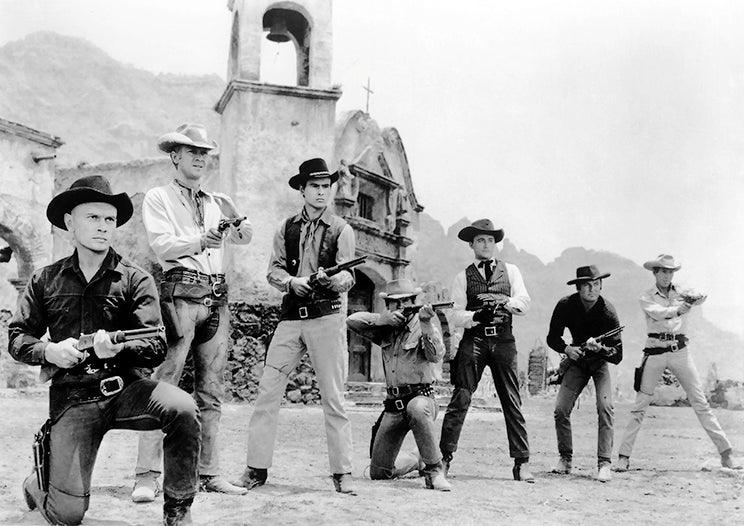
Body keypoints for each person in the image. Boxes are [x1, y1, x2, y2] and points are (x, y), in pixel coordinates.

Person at [9, 175, 200, 526]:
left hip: (127, 390)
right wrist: (49, 351)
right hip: (73, 398)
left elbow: (156, 345)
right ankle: (37, 485)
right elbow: (17, 337)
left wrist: (118, 348)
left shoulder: (136, 279)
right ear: (70, 222)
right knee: (67, 516)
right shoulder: (45, 279)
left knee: (183, 407)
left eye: (109, 219)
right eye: (93, 217)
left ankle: (178, 510)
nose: (103, 226)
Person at [134, 124, 252, 501]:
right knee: (164, 385)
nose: (200, 158)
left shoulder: (217, 201)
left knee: (211, 391)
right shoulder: (158, 197)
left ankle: (209, 473)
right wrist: (202, 239)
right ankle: (147, 475)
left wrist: (236, 214)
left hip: (216, 296)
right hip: (180, 293)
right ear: (175, 156)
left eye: (204, 152)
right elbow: (163, 245)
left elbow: (245, 237)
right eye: (192, 151)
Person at [236, 158, 356, 494]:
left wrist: (330, 282)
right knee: (267, 392)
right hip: (290, 318)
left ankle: (343, 472)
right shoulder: (285, 228)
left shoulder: (342, 230)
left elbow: (349, 276)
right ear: (302, 190)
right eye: (314, 186)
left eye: (326, 186)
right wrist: (292, 282)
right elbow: (273, 271)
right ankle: (256, 469)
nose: (321, 192)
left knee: (333, 397)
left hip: (327, 318)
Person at [614, 254, 741, 472]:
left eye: (670, 272)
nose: (667, 276)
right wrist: (679, 308)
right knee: (640, 406)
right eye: (663, 271)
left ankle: (726, 452)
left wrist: (694, 297)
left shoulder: (680, 292)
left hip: (680, 350)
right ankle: (623, 457)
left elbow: (701, 296)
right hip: (655, 351)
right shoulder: (646, 296)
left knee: (700, 402)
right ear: (655, 272)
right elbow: (659, 313)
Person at [439, 218, 534, 482]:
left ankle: (522, 462)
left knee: (511, 398)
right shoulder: (462, 277)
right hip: (475, 339)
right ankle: (443, 460)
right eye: (480, 240)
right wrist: (475, 316)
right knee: (461, 396)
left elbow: (525, 303)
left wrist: (506, 302)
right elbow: (454, 314)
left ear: (495, 244)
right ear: (471, 244)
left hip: (503, 340)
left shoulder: (511, 271)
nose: (486, 245)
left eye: (490, 240)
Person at [347, 279, 451, 491]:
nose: (401, 306)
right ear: (388, 305)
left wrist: (425, 324)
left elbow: (436, 356)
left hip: (421, 399)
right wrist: (382, 319)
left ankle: (434, 470)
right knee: (379, 473)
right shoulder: (385, 328)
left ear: (413, 301)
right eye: (395, 302)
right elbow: (352, 321)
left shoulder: (423, 325)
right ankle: (415, 459)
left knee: (417, 408)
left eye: (406, 301)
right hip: (394, 406)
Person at [546, 265, 623, 482]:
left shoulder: (608, 311)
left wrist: (601, 349)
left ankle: (604, 464)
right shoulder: (565, 305)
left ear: (601, 286)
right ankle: (565, 459)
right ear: (578, 288)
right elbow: (552, 338)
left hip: (599, 363)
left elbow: (617, 354)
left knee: (605, 407)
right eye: (587, 285)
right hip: (576, 361)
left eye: (596, 284)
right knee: (561, 409)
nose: (592, 289)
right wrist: (567, 349)